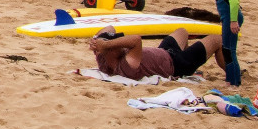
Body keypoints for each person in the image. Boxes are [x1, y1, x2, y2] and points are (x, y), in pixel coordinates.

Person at [190, 0, 244, 88]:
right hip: (229, 16)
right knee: (227, 49)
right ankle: (231, 80)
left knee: (229, 50)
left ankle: (234, 82)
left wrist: (233, 21)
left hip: (232, 17)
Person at [88, 26, 225, 81]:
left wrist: (96, 41)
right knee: (217, 40)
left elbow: (109, 28)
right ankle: (231, 72)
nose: (122, 45)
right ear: (111, 50)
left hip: (164, 52)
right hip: (177, 64)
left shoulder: (103, 58)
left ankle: (192, 67)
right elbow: (136, 39)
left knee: (182, 31)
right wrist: (106, 44)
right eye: (117, 44)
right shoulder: (126, 65)